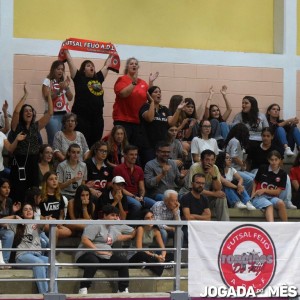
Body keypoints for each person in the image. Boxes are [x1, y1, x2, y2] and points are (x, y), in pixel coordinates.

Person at [75, 205, 135, 295]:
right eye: (112, 215)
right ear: (105, 215)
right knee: (93, 260)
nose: (115, 218)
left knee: (124, 262)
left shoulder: (112, 228)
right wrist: (97, 251)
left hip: (104, 257)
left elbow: (120, 237)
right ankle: (83, 288)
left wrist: (133, 234)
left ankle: (122, 290)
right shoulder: (96, 225)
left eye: (116, 216)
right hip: (86, 255)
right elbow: (85, 240)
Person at [9, 83, 53, 203]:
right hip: (19, 162)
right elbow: (16, 112)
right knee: (19, 190)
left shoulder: (36, 126)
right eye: (26, 111)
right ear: (23, 114)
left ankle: (33, 212)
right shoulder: (16, 127)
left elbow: (49, 113)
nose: (29, 112)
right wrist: (25, 96)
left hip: (33, 162)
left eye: (31, 111)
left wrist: (49, 96)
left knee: (33, 190)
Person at [64, 49, 113, 147]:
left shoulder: (98, 78)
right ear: (83, 70)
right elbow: (70, 61)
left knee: (94, 146)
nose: (91, 67)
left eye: (92, 65)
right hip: (82, 118)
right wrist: (66, 50)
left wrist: (112, 53)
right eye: (88, 65)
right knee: (81, 145)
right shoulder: (78, 78)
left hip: (97, 119)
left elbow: (107, 65)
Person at [8, 202, 58, 294]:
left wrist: (46, 219)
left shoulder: (37, 224)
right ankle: (45, 294)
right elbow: (2, 222)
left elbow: (42, 224)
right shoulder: (17, 224)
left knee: (54, 262)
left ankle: (53, 293)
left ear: (34, 212)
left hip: (37, 255)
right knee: (39, 263)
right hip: (22, 256)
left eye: (30, 209)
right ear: (22, 213)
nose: (28, 211)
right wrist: (14, 216)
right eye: (25, 209)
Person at [113, 57, 158, 146]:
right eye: (131, 63)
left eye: (136, 64)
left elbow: (149, 96)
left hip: (138, 122)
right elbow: (123, 94)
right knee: (122, 147)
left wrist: (151, 82)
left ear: (138, 67)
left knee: (134, 148)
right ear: (127, 67)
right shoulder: (122, 79)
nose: (134, 65)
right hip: (123, 120)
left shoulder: (143, 82)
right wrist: (133, 82)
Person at [139, 86, 187, 164]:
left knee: (162, 167)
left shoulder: (164, 109)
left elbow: (171, 123)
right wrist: (152, 102)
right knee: (151, 168)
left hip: (162, 145)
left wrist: (178, 109)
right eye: (156, 92)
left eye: (160, 92)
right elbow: (150, 118)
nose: (159, 93)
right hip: (148, 145)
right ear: (150, 95)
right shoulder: (145, 106)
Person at [113, 145, 156, 219]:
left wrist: (141, 196)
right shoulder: (118, 169)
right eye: (131, 154)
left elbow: (142, 188)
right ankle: (133, 226)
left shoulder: (139, 169)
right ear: (125, 155)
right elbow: (119, 188)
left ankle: (154, 226)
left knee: (155, 204)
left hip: (137, 195)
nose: (134, 157)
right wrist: (134, 197)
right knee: (137, 204)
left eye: (136, 154)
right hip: (124, 195)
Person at [187, 149, 230, 221]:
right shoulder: (195, 167)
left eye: (212, 160)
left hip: (206, 197)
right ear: (201, 160)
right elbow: (194, 190)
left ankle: (225, 224)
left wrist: (213, 175)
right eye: (207, 159)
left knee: (221, 197)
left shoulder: (215, 168)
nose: (210, 162)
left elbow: (218, 189)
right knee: (216, 195)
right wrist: (214, 194)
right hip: (192, 197)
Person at [129, 209, 172, 276]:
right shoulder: (140, 228)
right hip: (136, 255)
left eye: (152, 217)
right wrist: (156, 256)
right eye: (148, 218)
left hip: (149, 255)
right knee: (142, 255)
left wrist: (162, 257)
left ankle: (158, 264)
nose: (151, 220)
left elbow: (163, 249)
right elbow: (139, 249)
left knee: (172, 255)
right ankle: (161, 265)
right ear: (143, 220)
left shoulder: (155, 230)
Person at [42, 60, 73, 145]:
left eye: (62, 69)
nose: (60, 71)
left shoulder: (63, 82)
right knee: (54, 141)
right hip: (52, 115)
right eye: (58, 69)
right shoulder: (47, 81)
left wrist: (66, 87)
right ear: (53, 70)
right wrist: (60, 90)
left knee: (65, 142)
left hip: (65, 115)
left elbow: (70, 98)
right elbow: (46, 96)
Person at [251, 150, 288, 222]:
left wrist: (264, 190)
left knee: (281, 203)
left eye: (276, 160)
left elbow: (277, 192)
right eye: (272, 160)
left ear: (280, 160)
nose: (274, 162)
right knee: (269, 205)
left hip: (272, 197)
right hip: (259, 197)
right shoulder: (262, 168)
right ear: (268, 160)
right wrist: (253, 194)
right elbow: (255, 182)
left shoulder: (283, 173)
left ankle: (286, 226)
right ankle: (271, 227)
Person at [224, 123, 255, 195]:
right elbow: (234, 157)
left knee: (254, 177)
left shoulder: (238, 142)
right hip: (232, 169)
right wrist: (242, 164)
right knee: (249, 180)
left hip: (238, 169)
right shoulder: (235, 141)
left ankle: (251, 196)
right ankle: (245, 197)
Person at [39, 171, 72, 239]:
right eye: (51, 179)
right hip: (44, 222)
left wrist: (60, 221)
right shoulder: (41, 196)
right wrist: (46, 218)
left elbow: (61, 212)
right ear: (46, 182)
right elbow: (37, 213)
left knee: (68, 232)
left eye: (56, 179)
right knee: (54, 230)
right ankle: (53, 249)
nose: (54, 181)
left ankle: (49, 239)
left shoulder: (59, 196)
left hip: (56, 223)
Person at [180, 173, 211, 245]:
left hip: (200, 226)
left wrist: (193, 216)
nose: (200, 185)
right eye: (198, 183)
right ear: (192, 183)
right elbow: (188, 218)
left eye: (203, 183)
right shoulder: (186, 197)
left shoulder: (204, 199)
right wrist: (202, 217)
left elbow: (208, 217)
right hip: (187, 227)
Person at [0, 178, 21, 265]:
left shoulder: (9, 201)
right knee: (9, 234)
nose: (7, 190)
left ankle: (17, 259)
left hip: (5, 227)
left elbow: (10, 218)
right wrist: (13, 216)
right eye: (4, 187)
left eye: (8, 187)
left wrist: (14, 211)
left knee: (20, 231)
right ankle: (4, 262)